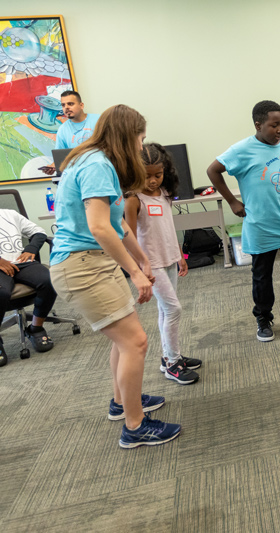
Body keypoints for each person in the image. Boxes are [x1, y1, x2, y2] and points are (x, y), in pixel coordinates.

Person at [49, 104, 181, 449]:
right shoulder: (96, 165)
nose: (142, 146)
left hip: (93, 262)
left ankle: (122, 403)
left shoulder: (96, 161)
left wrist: (142, 259)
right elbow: (98, 228)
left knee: (123, 339)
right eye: (140, 138)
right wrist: (135, 272)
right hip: (82, 266)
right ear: (126, 136)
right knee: (135, 342)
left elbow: (117, 222)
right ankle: (134, 427)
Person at [207, 100, 280, 342]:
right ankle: (263, 318)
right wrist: (232, 201)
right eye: (274, 125)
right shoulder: (241, 149)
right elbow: (213, 170)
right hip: (259, 221)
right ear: (258, 125)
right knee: (262, 273)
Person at [124, 143, 202, 385]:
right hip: (151, 264)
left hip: (168, 258)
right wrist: (137, 269)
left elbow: (168, 227)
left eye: (157, 175)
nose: (153, 181)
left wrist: (180, 255)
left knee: (164, 310)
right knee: (173, 309)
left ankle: (169, 355)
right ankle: (172, 363)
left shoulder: (166, 194)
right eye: (146, 176)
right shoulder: (133, 199)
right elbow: (130, 237)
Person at [0, 210, 58, 366]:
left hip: (21, 262)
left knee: (49, 280)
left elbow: (39, 232)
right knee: (1, 292)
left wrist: (31, 249)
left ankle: (36, 328)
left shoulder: (9, 214)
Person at [41, 90, 101, 176]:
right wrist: (53, 166)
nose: (66, 107)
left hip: (100, 170)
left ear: (81, 105)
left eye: (70, 104)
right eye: (63, 105)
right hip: (79, 175)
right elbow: (61, 157)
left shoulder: (99, 120)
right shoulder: (62, 130)